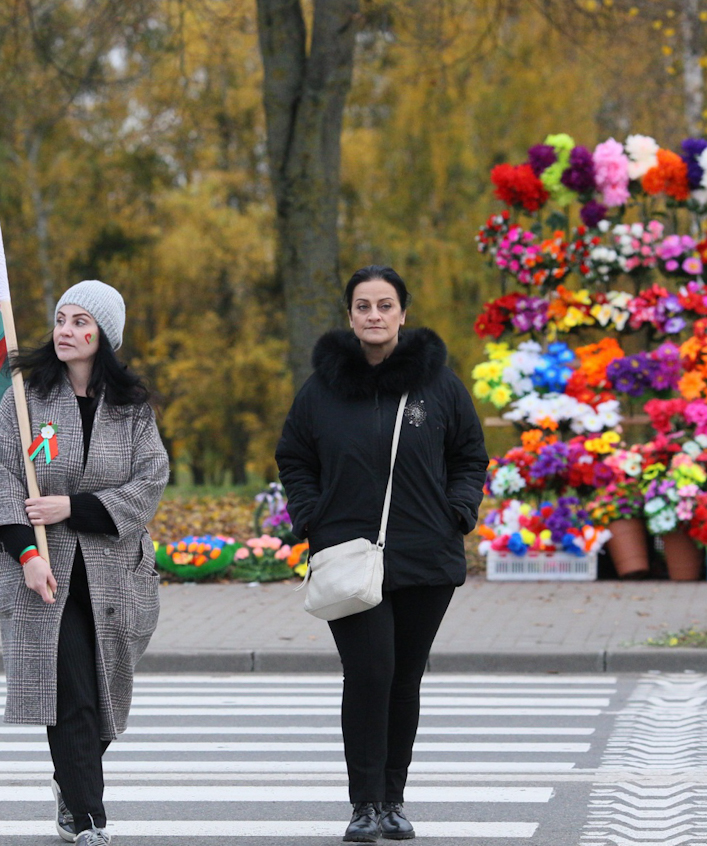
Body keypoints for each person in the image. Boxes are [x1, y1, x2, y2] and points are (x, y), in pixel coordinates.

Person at [275, 265, 488, 843]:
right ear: (350, 316)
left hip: (426, 556)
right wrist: (311, 516)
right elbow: (294, 456)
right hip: (347, 554)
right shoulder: (323, 387)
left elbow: (470, 455)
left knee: (404, 679)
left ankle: (393, 799)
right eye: (363, 305)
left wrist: (458, 512)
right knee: (370, 672)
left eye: (385, 305)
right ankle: (364, 804)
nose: (374, 315)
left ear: (402, 313)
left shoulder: (438, 384)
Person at [0, 280, 168, 846]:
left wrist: (74, 506)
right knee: (71, 695)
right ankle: (87, 817)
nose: (66, 330)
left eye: (80, 321)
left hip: (116, 574)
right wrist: (28, 553)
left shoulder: (132, 409)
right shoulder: (26, 398)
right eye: (61, 319)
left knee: (105, 696)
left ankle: (70, 778)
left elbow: (149, 482)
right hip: (46, 574)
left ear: (104, 336)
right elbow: (2, 475)